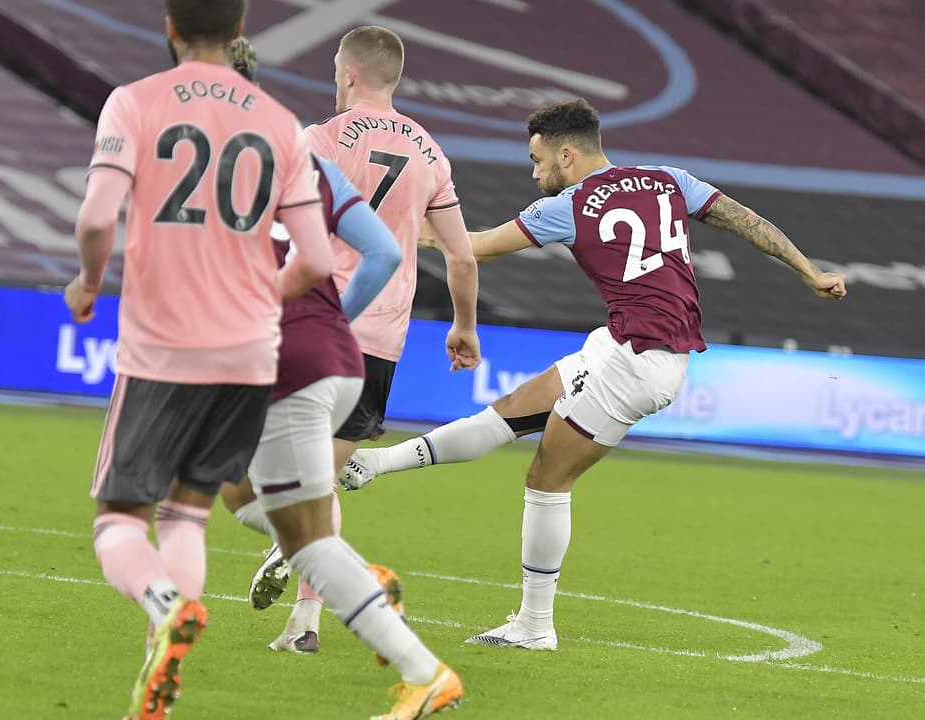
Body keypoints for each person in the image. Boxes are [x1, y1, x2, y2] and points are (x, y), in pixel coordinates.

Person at [340, 98, 847, 650]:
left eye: (538, 162)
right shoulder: (666, 180)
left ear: (566, 152)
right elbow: (744, 220)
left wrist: (387, 225)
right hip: (623, 345)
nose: (535, 174)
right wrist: (809, 271)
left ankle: (535, 627)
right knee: (510, 412)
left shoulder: (571, 205)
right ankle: (375, 464)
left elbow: (474, 248)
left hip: (637, 362)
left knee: (546, 479)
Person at [63, 3, 333, 718]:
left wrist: (89, 284)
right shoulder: (280, 121)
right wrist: (255, 301)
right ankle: (160, 675)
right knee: (186, 513)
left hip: (162, 344)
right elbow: (318, 258)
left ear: (169, 27)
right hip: (249, 353)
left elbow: (95, 217)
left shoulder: (135, 102)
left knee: (118, 520)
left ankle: (165, 607)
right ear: (240, 31)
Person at [217, 38, 463, 720]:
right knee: (260, 484)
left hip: (300, 343)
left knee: (274, 502)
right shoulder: (422, 151)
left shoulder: (306, 146)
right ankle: (313, 603)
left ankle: (388, 637)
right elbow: (425, 253)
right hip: (365, 348)